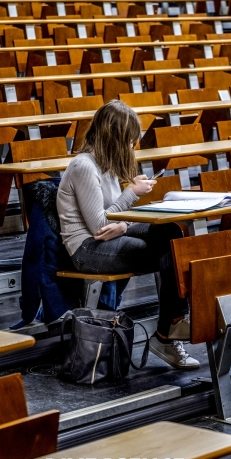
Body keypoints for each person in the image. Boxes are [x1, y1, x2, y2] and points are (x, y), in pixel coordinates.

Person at [56, 100, 199, 370]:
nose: (132, 148)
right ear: (114, 137)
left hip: (108, 236)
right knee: (168, 252)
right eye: (130, 142)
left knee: (171, 232)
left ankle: (173, 325)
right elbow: (99, 226)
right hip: (87, 250)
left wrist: (123, 223)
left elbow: (113, 220)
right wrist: (131, 194)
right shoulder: (84, 166)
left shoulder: (106, 165)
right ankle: (168, 333)